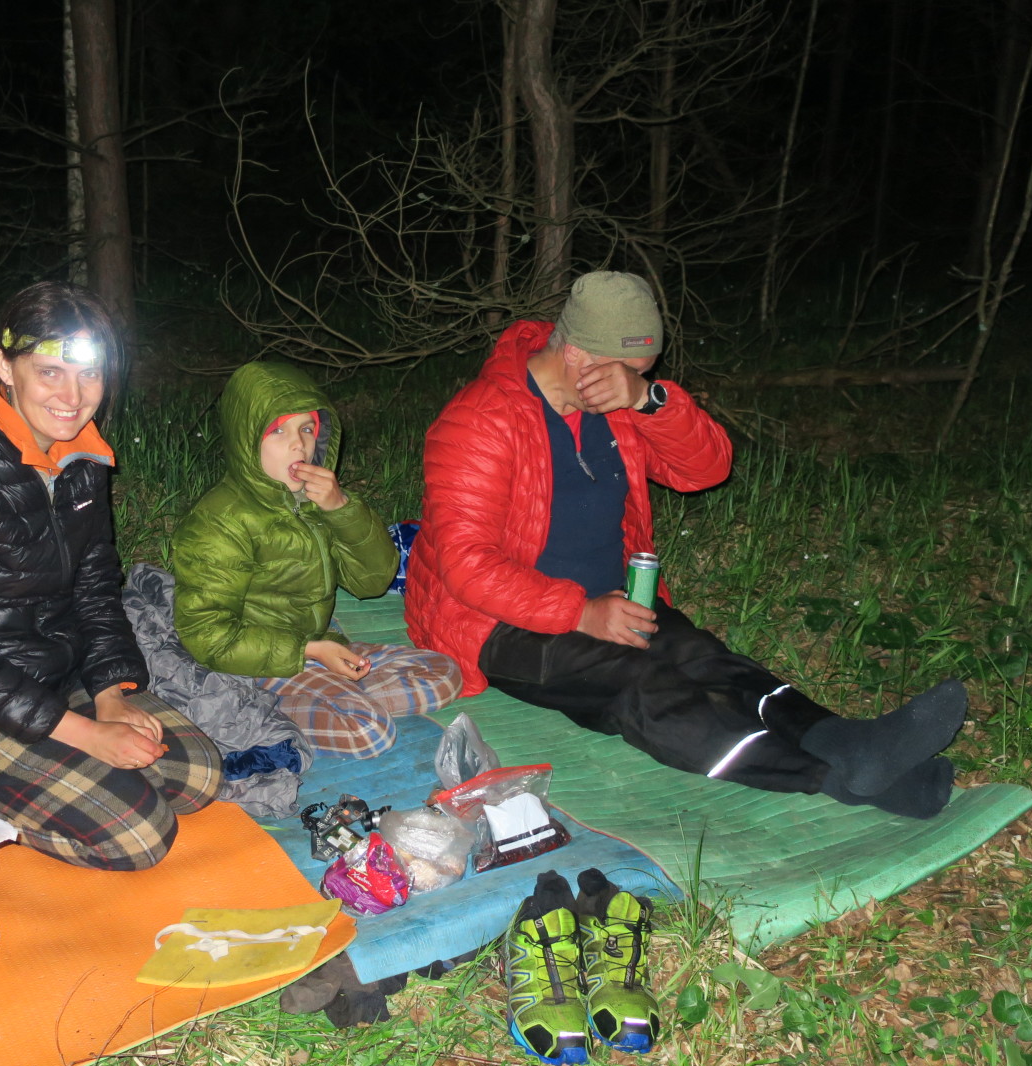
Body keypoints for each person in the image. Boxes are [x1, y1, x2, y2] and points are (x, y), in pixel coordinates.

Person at [405, 271, 966, 817]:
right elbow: (466, 565)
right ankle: (840, 781)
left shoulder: (617, 401)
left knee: (708, 660)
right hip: (498, 622)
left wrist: (649, 400)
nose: (638, 380)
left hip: (612, 597)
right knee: (640, 686)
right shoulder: (480, 420)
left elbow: (705, 469)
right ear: (577, 354)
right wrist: (581, 613)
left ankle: (848, 743)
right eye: (633, 370)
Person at [0, 282, 221, 870]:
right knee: (139, 835)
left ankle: (54, 769)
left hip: (52, 677)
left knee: (198, 775)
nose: (73, 396)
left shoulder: (82, 459)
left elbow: (95, 585)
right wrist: (86, 735)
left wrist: (109, 694)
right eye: (49, 372)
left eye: (90, 375)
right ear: (4, 367)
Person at [171, 361, 462, 758]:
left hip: (319, 647)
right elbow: (208, 634)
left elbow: (372, 580)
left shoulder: (315, 501)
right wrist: (310, 650)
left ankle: (331, 697)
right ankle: (277, 707)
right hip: (254, 664)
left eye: (307, 429)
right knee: (368, 733)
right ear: (246, 441)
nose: (299, 445)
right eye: (279, 431)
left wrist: (342, 509)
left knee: (444, 674)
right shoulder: (219, 521)